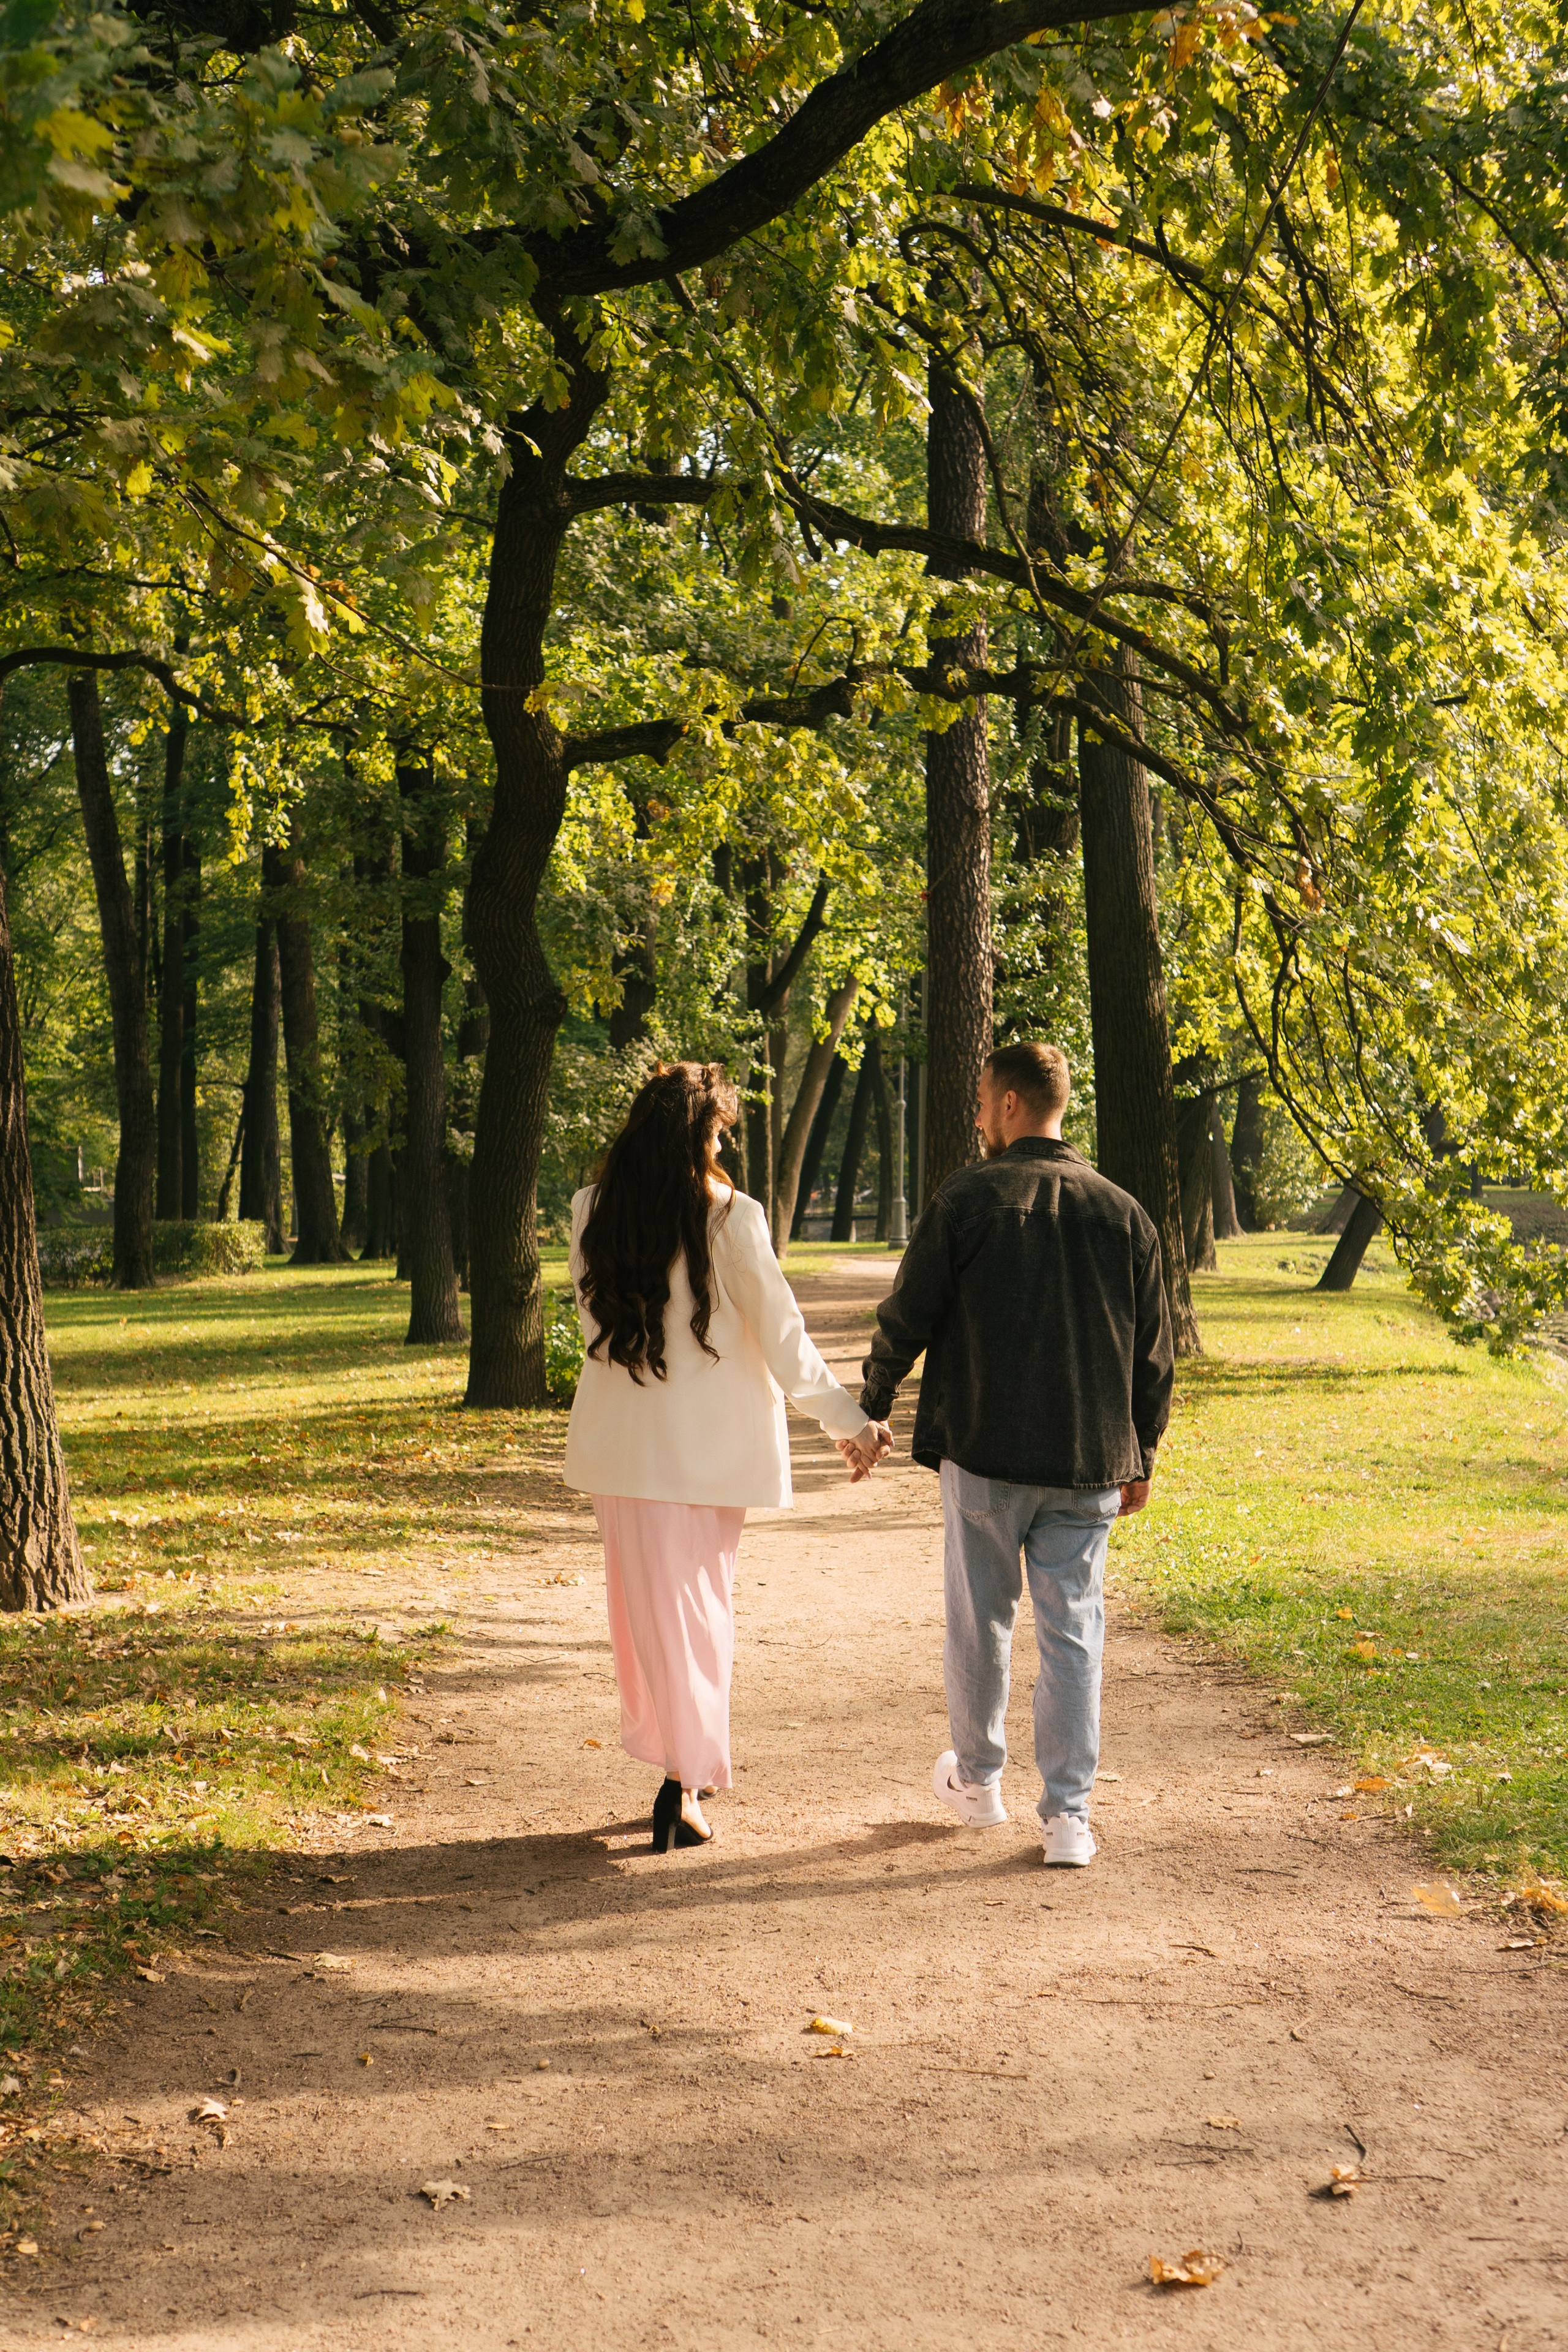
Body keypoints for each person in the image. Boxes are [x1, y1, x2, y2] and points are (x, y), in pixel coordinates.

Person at [858, 1041, 1173, 1867]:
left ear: (1006, 1105)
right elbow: (1153, 1352)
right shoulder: (1124, 1212)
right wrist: (1141, 1452)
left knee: (981, 1621)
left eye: (979, 1102)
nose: (975, 1118)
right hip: (1090, 1457)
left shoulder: (968, 1198)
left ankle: (979, 1781)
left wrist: (873, 1402)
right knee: (1074, 1633)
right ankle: (1069, 1817)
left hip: (986, 1450)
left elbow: (909, 1313)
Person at [565, 1061, 891, 1853]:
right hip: (706, 1458)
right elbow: (785, 1342)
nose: (724, 1148)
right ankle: (683, 1783)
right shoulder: (729, 1218)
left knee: (646, 1619)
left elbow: (589, 1327)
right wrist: (850, 1421)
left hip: (621, 1452)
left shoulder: (590, 1211)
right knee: (700, 1615)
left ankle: (683, 1770)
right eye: (719, 1133)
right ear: (697, 1133)